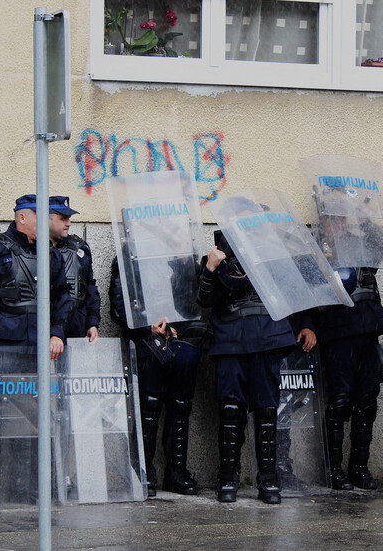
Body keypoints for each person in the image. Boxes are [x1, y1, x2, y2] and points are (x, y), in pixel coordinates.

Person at [0, 194, 73, 507]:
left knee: (35, 417)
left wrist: (57, 331)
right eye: (39, 216)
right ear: (22, 217)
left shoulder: (49, 254)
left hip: (36, 347)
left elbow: (63, 296)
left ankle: (30, 486)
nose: (46, 222)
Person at [195, 230, 317, 505]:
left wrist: (307, 324)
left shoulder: (274, 258)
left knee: (266, 409)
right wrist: (212, 267)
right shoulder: (217, 257)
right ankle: (228, 477)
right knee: (230, 409)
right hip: (230, 338)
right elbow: (204, 299)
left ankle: (269, 479)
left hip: (267, 336)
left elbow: (297, 293)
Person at [108, 254, 206, 496]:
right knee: (148, 407)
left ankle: (176, 473)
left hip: (180, 337)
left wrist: (183, 265)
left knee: (181, 405)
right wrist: (145, 326)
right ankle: (143, 472)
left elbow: (193, 302)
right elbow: (119, 307)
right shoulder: (129, 255)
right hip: (147, 341)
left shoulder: (182, 257)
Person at [315, 265, 383, 491]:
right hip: (338, 330)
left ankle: (359, 467)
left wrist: (362, 229)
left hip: (367, 326)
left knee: (367, 402)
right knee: (340, 401)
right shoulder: (322, 247)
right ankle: (332, 469)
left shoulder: (363, 244)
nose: (342, 225)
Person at [48, 196, 100, 342]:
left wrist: (92, 323)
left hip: (75, 327)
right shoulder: (32, 250)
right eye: (63, 219)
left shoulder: (79, 249)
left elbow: (90, 289)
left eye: (69, 218)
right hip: (45, 326)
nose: (68, 224)